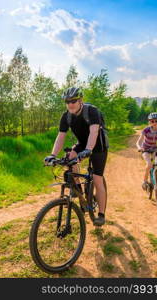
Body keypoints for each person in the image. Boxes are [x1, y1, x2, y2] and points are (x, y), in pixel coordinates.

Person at [44, 87, 108, 226]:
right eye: (67, 101)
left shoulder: (92, 111)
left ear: (80, 100)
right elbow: (61, 136)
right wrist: (53, 154)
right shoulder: (66, 116)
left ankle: (101, 214)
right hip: (82, 144)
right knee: (69, 157)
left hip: (98, 146)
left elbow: (94, 132)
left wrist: (88, 150)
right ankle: (78, 189)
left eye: (73, 101)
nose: (70, 104)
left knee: (97, 179)